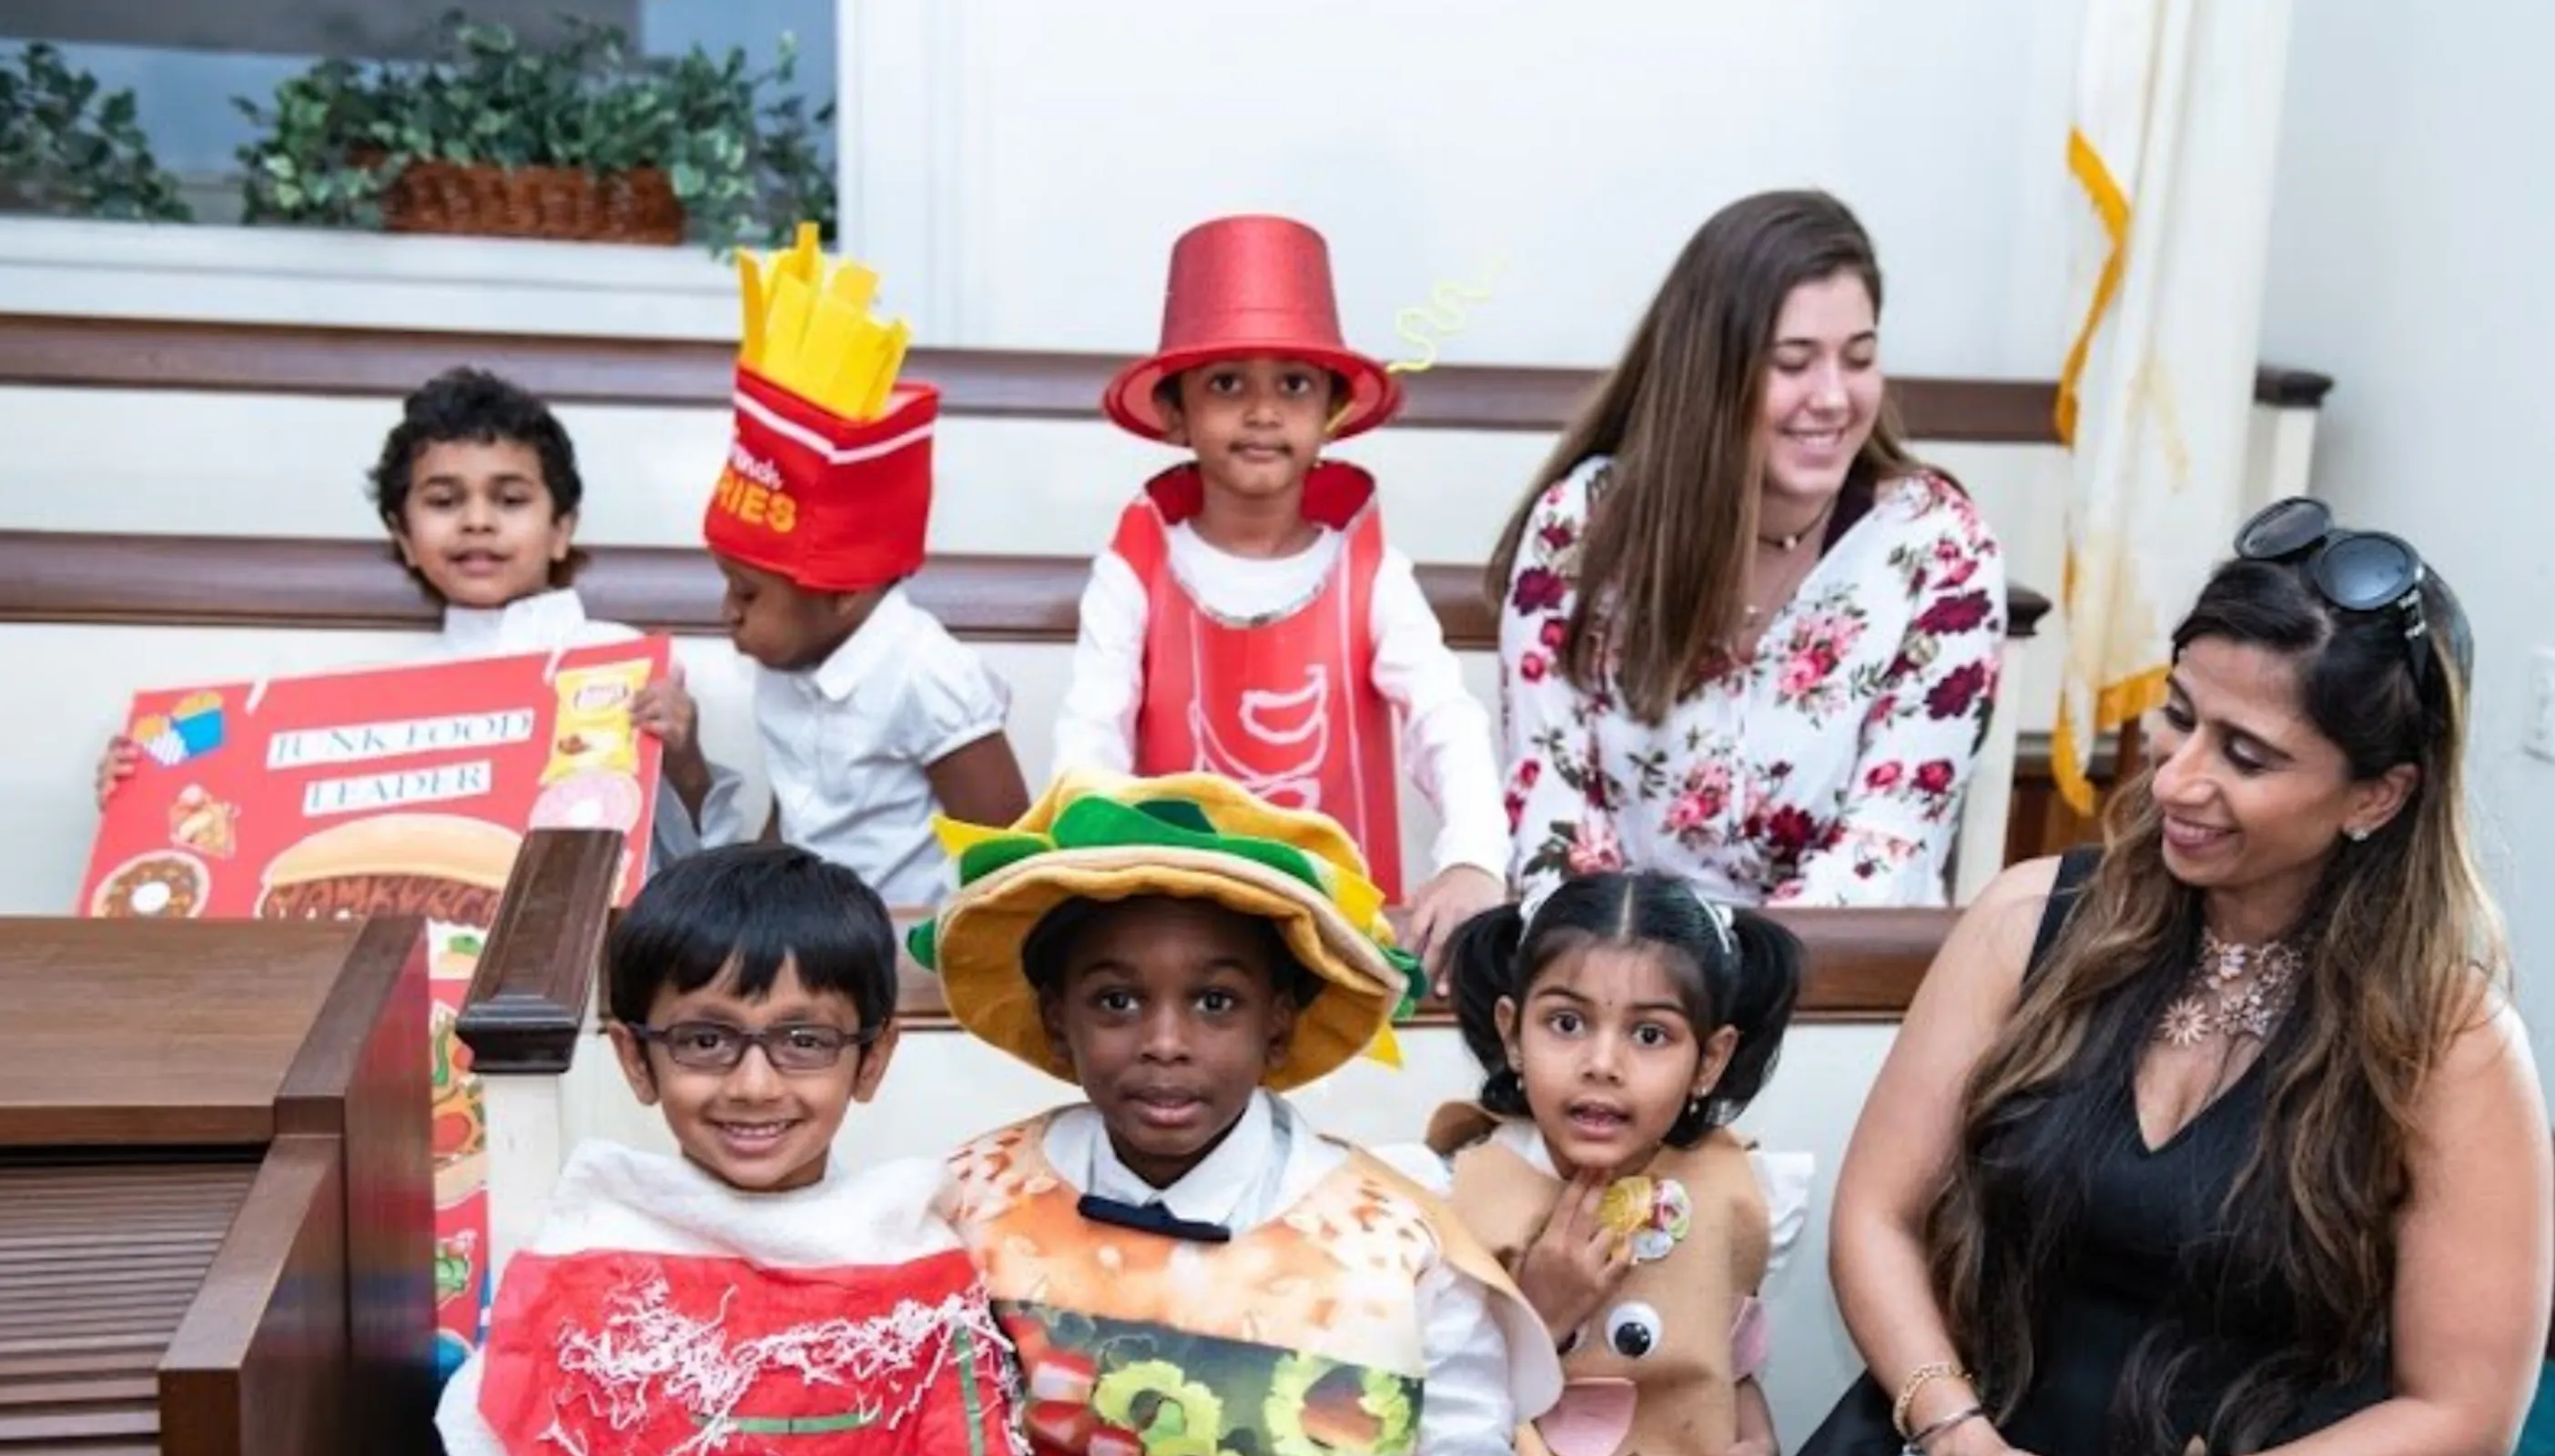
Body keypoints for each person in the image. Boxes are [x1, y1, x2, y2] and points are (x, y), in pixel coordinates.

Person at [1729, 500, 2550, 1456]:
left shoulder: (2451, 1045)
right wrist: (1961, 1440)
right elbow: (1877, 1216)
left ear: (2378, 794)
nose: (2173, 779)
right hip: (1966, 1444)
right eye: (2180, 715)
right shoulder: (2028, 922)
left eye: (2246, 755)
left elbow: (2467, 1420)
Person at [920, 770, 1587, 1456]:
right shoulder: (972, 1206)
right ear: (1059, 1017)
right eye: (1117, 1000)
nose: (1166, 1040)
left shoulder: (1399, 1248)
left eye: (1215, 1001)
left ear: (1279, 1018)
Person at [435, 843, 1040, 1456]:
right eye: (706, 1040)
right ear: (636, 1058)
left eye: (804, 1041)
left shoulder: (922, 1271)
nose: (754, 1085)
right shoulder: (585, 1267)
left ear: (872, 1058)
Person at [1487, 189, 2004, 909]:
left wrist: (1736, 971)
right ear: (1708, 372)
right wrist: (1643, 969)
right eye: (1793, 362)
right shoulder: (1580, 526)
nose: (1833, 397)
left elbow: (1886, 853)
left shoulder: (1941, 547)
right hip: (1610, 959)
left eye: (1858, 358)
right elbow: (1557, 823)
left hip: (1838, 970)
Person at [1053, 214, 1508, 962]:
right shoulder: (1134, 567)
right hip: (1181, 931)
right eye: (1226, 384)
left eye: (1294, 385)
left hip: (1344, 936)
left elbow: (1444, 718)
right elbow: (1091, 735)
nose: (1263, 412)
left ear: (1332, 411)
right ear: (1175, 413)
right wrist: (1091, 858)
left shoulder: (1372, 571)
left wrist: (1473, 857)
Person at [96, 367, 742, 863]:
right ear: (404, 536)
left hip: (594, 969)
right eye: (443, 500)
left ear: (561, 529)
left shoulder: (619, 659)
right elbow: (262, 826)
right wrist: (148, 787)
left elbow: (693, 862)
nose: (477, 520)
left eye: (510, 499)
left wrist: (683, 754)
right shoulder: (377, 701)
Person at [1385, 872, 1810, 1456]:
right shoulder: (1457, 1193)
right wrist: (1541, 1316)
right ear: (1512, 1032)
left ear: (1709, 1059)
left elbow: (1724, 1359)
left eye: (1650, 1035)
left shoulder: (1731, 1189)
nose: (1602, 1064)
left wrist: (1757, 1449)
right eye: (1566, 1023)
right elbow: (1421, 1419)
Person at [703, 237, 1029, 905]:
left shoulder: (926, 675)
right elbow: (798, 814)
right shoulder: (791, 653)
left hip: (906, 946)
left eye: (747, 592)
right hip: (811, 939)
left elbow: (1004, 853)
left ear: (843, 589)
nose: (727, 610)